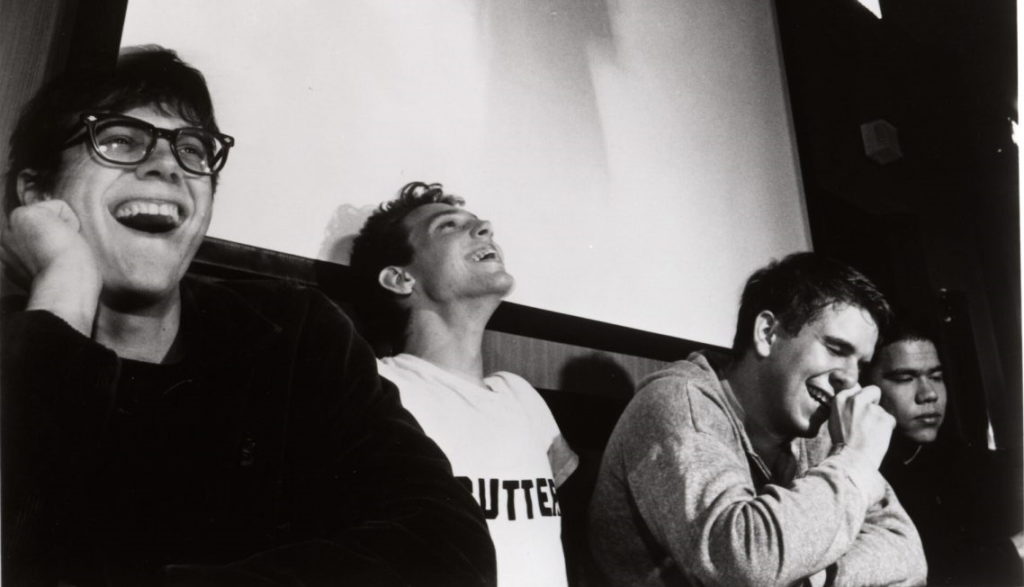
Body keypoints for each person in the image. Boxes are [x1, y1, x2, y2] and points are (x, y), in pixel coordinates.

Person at [1, 47, 495, 586]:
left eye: (192, 149)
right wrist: (65, 285)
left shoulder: (294, 330)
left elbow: (449, 546)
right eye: (119, 138)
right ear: (37, 193)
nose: (168, 164)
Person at [588, 252, 927, 586]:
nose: (850, 380)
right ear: (767, 333)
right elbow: (744, 564)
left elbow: (907, 553)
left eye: (861, 364)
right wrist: (854, 461)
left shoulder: (820, 429)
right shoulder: (678, 403)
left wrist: (814, 578)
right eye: (836, 349)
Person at [350, 182, 578, 587]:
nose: (486, 228)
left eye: (480, 225)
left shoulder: (520, 394)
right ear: (401, 278)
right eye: (448, 226)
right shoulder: (379, 386)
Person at [868, 318, 1024, 585]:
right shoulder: (864, 476)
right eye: (905, 378)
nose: (929, 394)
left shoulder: (956, 458)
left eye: (937, 377)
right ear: (865, 388)